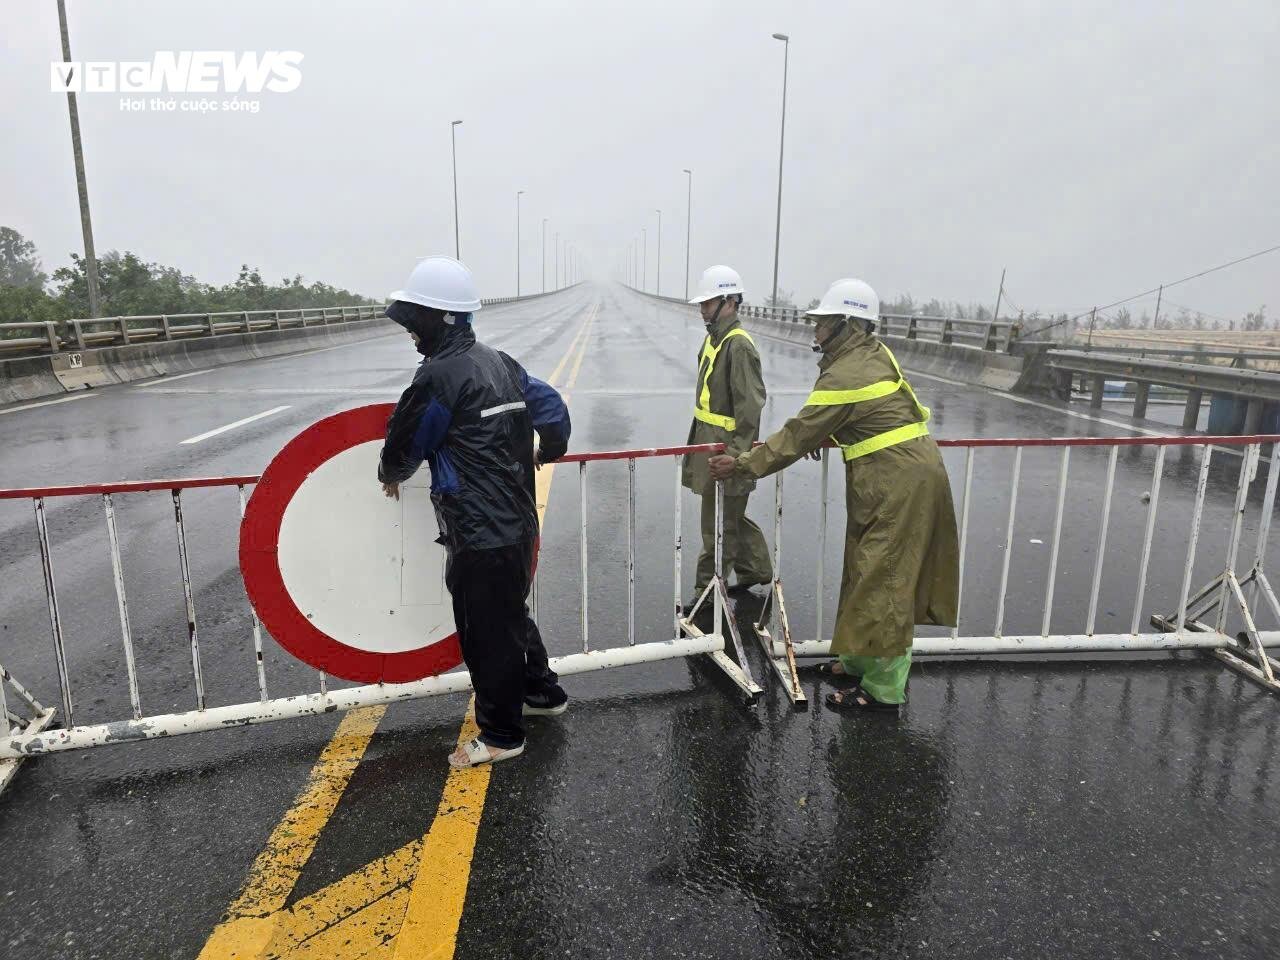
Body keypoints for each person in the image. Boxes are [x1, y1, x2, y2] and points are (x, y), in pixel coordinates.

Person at [708, 278, 959, 713]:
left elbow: (797, 435)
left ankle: (882, 689)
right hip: (889, 477)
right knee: (867, 571)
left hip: (899, 482)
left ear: (849, 326)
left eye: (824, 323)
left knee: (887, 580)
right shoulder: (871, 355)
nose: (816, 331)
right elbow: (856, 420)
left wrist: (743, 463)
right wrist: (831, 434)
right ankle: (858, 660)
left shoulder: (848, 373)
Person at [378, 256, 572, 767]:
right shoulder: (502, 363)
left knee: (487, 633)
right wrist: (548, 451)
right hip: (519, 522)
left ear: (440, 319)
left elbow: (406, 442)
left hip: (477, 530)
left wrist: (391, 475)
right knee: (509, 615)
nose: (410, 332)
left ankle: (503, 735)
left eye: (415, 320)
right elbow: (552, 408)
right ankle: (543, 695)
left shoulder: (438, 378)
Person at [681, 265, 773, 614]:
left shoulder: (739, 347)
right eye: (702, 303)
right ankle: (755, 569)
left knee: (717, 528)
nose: (703, 309)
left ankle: (706, 595)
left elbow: (750, 410)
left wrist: (736, 457)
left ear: (730, 302)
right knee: (729, 516)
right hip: (710, 445)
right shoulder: (714, 339)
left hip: (727, 452)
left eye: (709, 303)